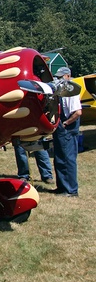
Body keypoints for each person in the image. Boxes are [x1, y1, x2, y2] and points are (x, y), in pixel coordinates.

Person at [52, 67, 82, 197]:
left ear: (68, 76)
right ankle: (62, 186)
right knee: (59, 158)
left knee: (68, 159)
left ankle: (71, 190)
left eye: (61, 77)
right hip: (61, 126)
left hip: (67, 127)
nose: (59, 80)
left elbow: (78, 112)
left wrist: (66, 123)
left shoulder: (72, 91)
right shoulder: (61, 91)